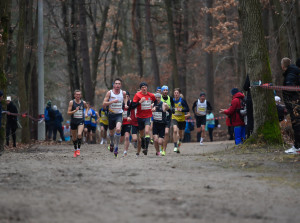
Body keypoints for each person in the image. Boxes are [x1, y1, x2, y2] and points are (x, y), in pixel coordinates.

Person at [103, 78, 127, 157]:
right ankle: (112, 143)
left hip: (119, 114)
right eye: (116, 83)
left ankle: (116, 147)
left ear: (121, 85)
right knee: (111, 132)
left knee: (118, 129)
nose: (117, 85)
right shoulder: (109, 93)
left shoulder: (123, 93)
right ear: (114, 85)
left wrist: (125, 104)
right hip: (111, 115)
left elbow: (125, 97)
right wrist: (112, 101)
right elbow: (104, 103)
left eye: (119, 84)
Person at [280, 58, 300, 154]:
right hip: (294, 103)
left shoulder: (290, 74)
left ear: (283, 66)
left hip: (294, 104)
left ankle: (297, 147)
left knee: (296, 124)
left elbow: (290, 88)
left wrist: (292, 102)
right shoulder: (293, 71)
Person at [132, 82, 156, 156]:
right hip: (139, 117)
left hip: (148, 116)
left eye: (145, 87)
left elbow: (156, 102)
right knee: (142, 135)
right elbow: (133, 106)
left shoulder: (151, 95)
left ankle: (146, 149)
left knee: (147, 131)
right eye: (142, 87)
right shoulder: (137, 95)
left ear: (147, 88)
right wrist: (140, 102)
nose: (144, 88)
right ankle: (143, 144)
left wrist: (155, 107)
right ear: (140, 89)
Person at [67, 89, 88, 157]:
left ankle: (78, 149)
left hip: (80, 121)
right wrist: (74, 111)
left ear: (81, 95)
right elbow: (68, 113)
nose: (78, 96)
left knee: (79, 134)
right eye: (77, 94)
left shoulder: (83, 102)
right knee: (74, 137)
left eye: (79, 94)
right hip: (73, 122)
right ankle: (75, 149)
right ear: (74, 95)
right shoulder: (71, 102)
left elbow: (87, 108)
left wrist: (86, 113)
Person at [172, 88, 190, 153]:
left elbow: (188, 109)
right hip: (174, 118)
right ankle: (175, 146)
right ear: (174, 94)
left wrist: (181, 110)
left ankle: (178, 147)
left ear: (179, 94)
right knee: (174, 130)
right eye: (175, 93)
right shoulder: (172, 100)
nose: (176, 94)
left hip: (182, 119)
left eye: (177, 93)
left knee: (181, 135)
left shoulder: (182, 101)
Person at [160, 85, 175, 155]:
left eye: (166, 90)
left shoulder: (170, 98)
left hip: (168, 119)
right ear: (162, 91)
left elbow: (173, 110)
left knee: (166, 133)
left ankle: (164, 150)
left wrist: (168, 108)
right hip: (160, 119)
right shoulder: (159, 98)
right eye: (164, 90)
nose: (165, 91)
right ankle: (161, 147)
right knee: (161, 135)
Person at [121, 91, 131, 156]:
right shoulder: (120, 104)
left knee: (127, 137)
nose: (126, 98)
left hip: (128, 123)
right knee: (120, 139)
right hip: (121, 123)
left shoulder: (131, 104)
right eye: (125, 97)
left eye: (127, 96)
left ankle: (125, 151)